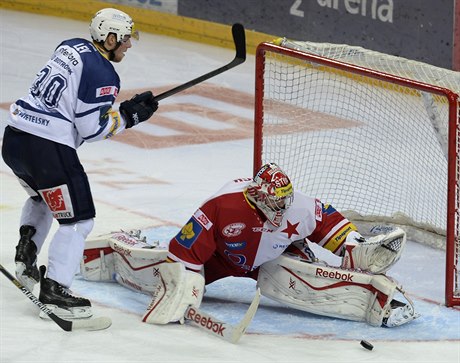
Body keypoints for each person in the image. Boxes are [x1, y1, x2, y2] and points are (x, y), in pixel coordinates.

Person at [81, 162, 420, 328]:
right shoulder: (222, 205)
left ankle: (384, 302)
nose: (282, 210)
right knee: (158, 278)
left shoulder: (296, 204)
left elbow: (328, 221)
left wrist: (353, 244)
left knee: (305, 282)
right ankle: (111, 251)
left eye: (286, 203)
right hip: (218, 257)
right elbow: (185, 251)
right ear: (257, 195)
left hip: (273, 257)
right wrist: (183, 285)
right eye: (275, 204)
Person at [2, 8, 158, 320]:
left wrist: (118, 109)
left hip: (15, 138)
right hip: (48, 148)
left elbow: (69, 96)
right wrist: (129, 116)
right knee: (79, 221)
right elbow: (91, 128)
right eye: (125, 39)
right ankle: (56, 290)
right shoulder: (105, 73)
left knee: (42, 197)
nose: (128, 45)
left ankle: (26, 251)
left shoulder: (70, 45)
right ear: (109, 37)